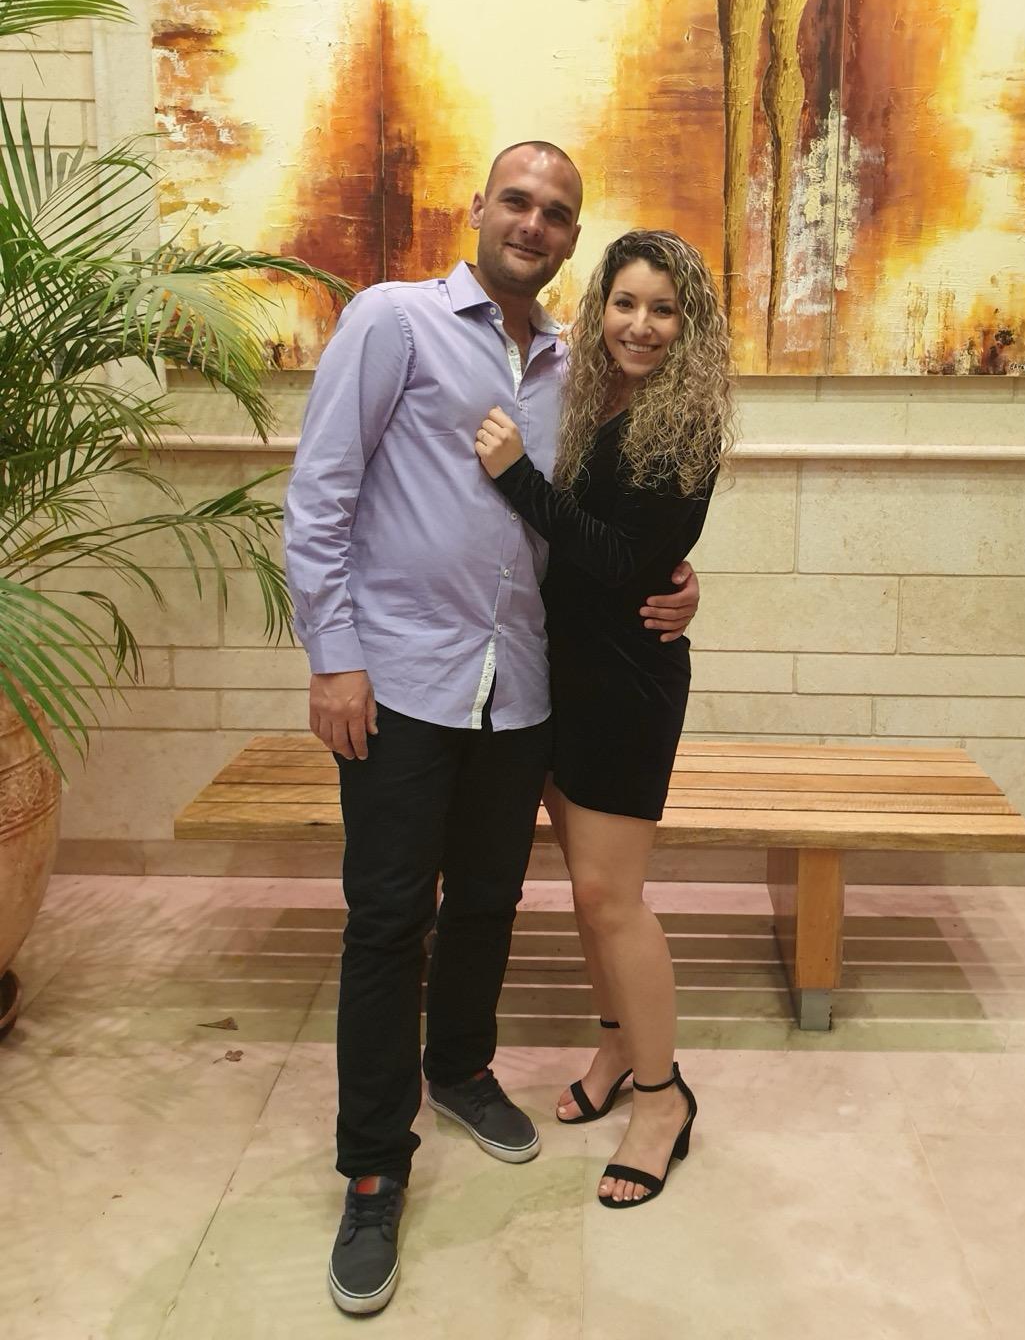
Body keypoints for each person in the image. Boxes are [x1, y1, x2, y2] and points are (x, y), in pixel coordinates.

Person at [282, 143, 700, 1316]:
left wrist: (675, 580)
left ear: (573, 238)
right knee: (388, 920)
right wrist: (334, 657)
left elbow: (600, 523)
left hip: (520, 690)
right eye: (517, 200)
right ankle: (375, 1166)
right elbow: (320, 494)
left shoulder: (577, 365)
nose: (534, 222)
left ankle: (460, 1065)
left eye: (557, 212)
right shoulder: (394, 321)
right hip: (400, 682)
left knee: (487, 901)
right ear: (478, 208)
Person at [474, 228, 733, 1207]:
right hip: (562, 674)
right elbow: (605, 551)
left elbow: (622, 560)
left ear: (689, 326)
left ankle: (663, 1099)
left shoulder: (685, 426)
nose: (641, 324)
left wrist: (514, 475)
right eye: (626, 303)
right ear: (600, 308)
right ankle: (620, 1046)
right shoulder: (594, 401)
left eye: (664, 309)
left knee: (611, 896)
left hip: (626, 685)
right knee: (590, 896)